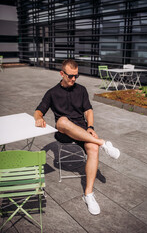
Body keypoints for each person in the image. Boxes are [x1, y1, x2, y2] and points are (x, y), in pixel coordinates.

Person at [34, 59, 120, 215]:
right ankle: (103, 143)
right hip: (64, 133)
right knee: (62, 121)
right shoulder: (52, 93)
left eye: (76, 76)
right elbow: (39, 111)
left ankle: (88, 194)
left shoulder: (81, 90)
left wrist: (91, 127)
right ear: (62, 74)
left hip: (82, 130)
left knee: (93, 148)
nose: (73, 79)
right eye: (70, 76)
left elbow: (88, 110)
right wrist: (39, 118)